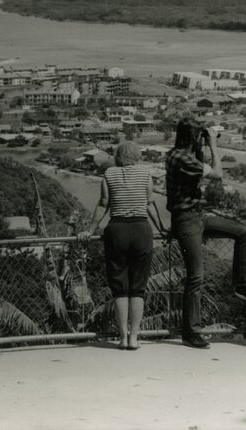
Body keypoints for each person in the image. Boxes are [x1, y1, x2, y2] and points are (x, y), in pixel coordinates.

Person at [166, 118, 246, 350]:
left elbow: (200, 171)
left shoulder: (178, 155)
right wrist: (213, 145)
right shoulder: (180, 157)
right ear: (193, 138)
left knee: (243, 233)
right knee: (196, 276)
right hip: (186, 220)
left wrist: (202, 145)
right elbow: (218, 174)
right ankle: (192, 332)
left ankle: (243, 284)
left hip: (197, 215)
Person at [78, 141, 166, 350]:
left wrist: (90, 229)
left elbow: (103, 203)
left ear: (118, 157)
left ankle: (122, 337)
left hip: (117, 231)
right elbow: (149, 204)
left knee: (120, 289)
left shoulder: (109, 174)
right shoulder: (146, 174)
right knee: (138, 288)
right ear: (137, 157)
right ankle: (134, 338)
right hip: (141, 230)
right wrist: (161, 229)